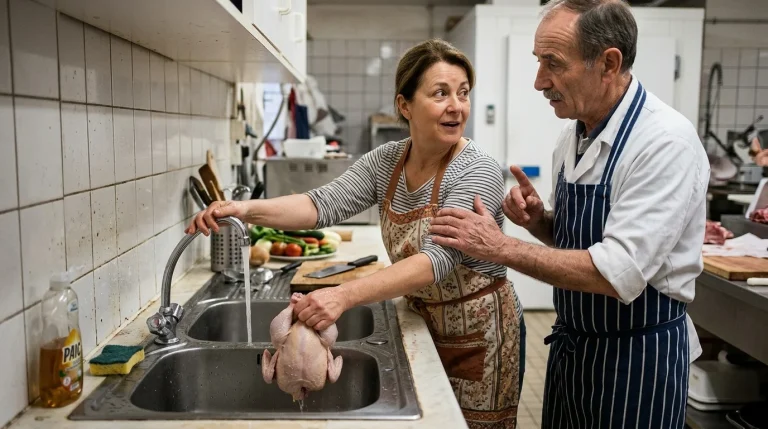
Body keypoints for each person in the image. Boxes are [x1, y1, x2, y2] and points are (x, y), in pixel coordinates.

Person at [187, 39, 526, 428]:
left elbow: (436, 260)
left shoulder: (476, 169)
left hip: (479, 336)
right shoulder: (387, 161)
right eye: (440, 93)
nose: (457, 106)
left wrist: (343, 295)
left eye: (463, 93)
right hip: (422, 322)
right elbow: (321, 204)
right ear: (405, 105)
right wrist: (244, 210)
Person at [428, 1, 709, 428]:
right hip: (574, 349)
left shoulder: (664, 143)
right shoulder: (572, 133)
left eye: (553, 64)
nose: (540, 81)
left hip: (637, 361)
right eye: (539, 62)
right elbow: (584, 241)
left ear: (608, 63)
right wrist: (540, 221)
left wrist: (500, 246)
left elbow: (617, 272)